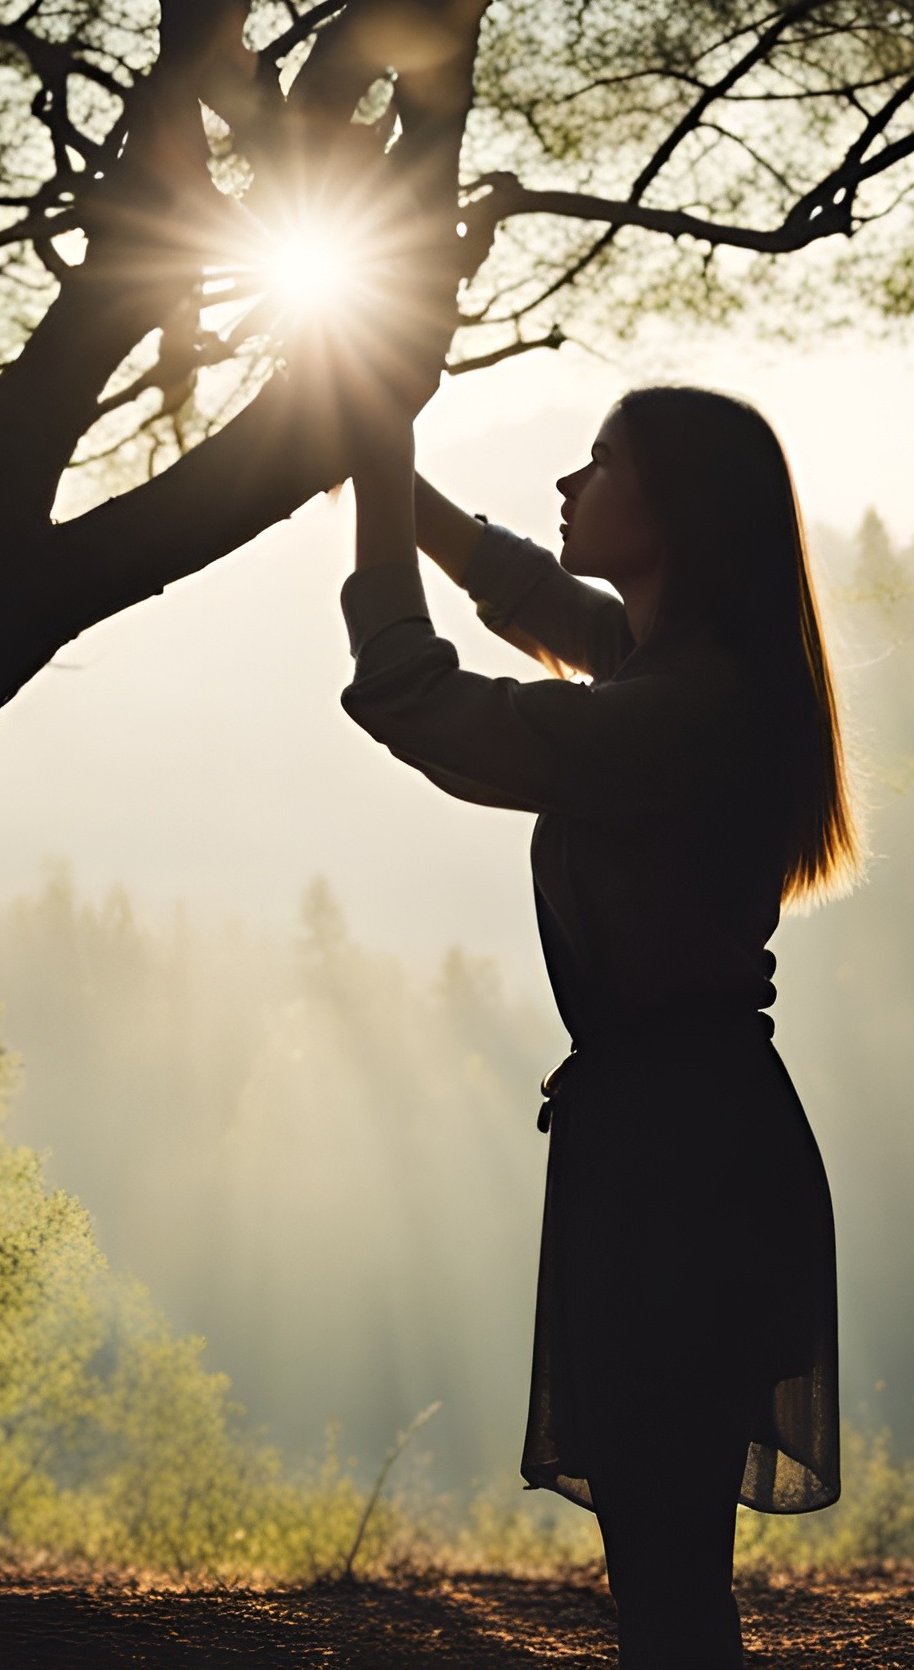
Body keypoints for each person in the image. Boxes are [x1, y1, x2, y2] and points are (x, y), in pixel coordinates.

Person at [335, 386, 852, 1667]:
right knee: (662, 1563)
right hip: (672, 1137)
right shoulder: (670, 667)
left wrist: (377, 488)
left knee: (668, 1570)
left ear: (672, 510)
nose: (570, 482)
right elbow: (524, 590)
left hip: (687, 1159)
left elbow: (431, 707)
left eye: (601, 463)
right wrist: (375, 466)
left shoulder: (684, 708)